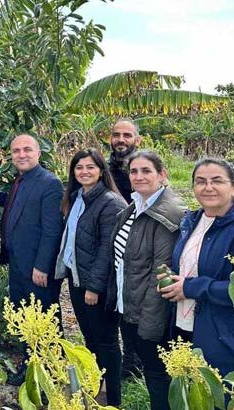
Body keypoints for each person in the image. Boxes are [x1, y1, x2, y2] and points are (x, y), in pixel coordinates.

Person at [0, 133, 65, 386]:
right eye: (16, 151)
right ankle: (32, 366)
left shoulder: (49, 183)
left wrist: (42, 266)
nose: (21, 155)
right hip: (18, 262)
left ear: (39, 153)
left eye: (27, 150)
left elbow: (52, 230)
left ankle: (49, 371)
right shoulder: (23, 180)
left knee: (43, 318)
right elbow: (17, 204)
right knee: (26, 315)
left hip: (36, 267)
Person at [106, 150, 186, 410]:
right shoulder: (134, 207)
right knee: (152, 372)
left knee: (157, 374)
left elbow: (160, 273)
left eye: (146, 171)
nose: (138, 176)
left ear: (162, 175)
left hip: (150, 316)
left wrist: (147, 326)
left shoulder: (166, 214)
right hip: (131, 308)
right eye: (134, 171)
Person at [158, 158, 234, 378]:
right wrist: (173, 279)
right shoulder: (192, 221)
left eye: (217, 181)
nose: (208, 187)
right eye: (200, 181)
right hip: (186, 328)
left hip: (225, 338)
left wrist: (193, 287)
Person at [54, 148, 126, 406]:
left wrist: (94, 287)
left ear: (101, 171)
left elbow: (108, 249)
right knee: (91, 339)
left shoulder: (110, 202)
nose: (84, 172)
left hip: (99, 286)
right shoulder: (77, 198)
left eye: (90, 167)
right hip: (77, 279)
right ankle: (97, 390)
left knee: (106, 342)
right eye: (79, 167)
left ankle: (114, 400)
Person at [107, 118, 143, 379]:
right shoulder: (106, 169)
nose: (121, 139)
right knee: (115, 305)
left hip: (138, 247)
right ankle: (120, 360)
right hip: (110, 246)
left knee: (133, 309)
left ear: (137, 140)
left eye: (127, 135)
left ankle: (134, 363)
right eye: (117, 135)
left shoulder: (142, 169)